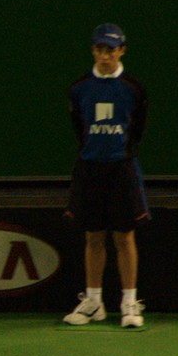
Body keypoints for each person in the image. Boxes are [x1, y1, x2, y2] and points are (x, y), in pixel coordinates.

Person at [63, 24, 150, 329]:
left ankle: (129, 303)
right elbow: (79, 128)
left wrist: (119, 152)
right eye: (100, 49)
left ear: (121, 51)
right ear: (93, 51)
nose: (105, 55)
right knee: (93, 236)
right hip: (90, 169)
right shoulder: (79, 88)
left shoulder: (133, 89)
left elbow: (136, 129)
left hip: (122, 169)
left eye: (111, 49)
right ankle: (93, 302)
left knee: (124, 237)